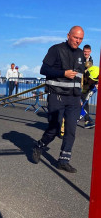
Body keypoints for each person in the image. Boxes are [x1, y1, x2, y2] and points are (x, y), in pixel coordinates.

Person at [32, 26, 86, 173]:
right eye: (76, 38)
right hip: (57, 95)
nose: (78, 41)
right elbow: (43, 70)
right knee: (54, 128)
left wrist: (80, 96)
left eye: (81, 39)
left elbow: (80, 78)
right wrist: (63, 73)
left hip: (74, 99)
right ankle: (39, 146)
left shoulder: (81, 54)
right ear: (68, 35)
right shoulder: (56, 49)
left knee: (70, 130)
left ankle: (63, 161)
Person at [81, 62, 98, 128]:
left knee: (84, 104)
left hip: (86, 88)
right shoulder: (85, 72)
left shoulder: (93, 71)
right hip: (82, 88)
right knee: (82, 103)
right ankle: (87, 120)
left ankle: (87, 120)